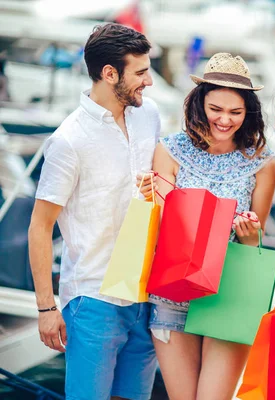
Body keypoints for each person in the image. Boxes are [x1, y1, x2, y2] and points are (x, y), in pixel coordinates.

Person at [28, 23, 159, 399]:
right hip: (93, 298)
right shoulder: (69, 140)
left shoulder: (147, 115)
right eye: (141, 72)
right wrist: (45, 308)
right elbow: (41, 227)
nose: (148, 81)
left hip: (146, 294)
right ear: (109, 73)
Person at [148, 52, 275, 400]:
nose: (225, 120)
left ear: (248, 112)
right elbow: (161, 225)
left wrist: (250, 236)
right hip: (171, 294)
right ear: (199, 103)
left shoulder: (262, 162)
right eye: (216, 109)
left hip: (229, 294)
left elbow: (256, 239)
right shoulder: (169, 150)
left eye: (235, 112)